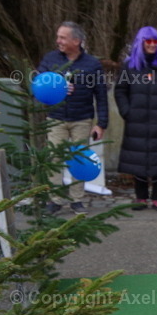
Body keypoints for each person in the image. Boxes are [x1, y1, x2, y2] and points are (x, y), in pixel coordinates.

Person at [37, 21, 110, 215]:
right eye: (58, 36)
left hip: (82, 119)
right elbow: (38, 83)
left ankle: (77, 200)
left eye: (62, 37)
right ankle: (55, 200)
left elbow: (101, 95)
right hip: (56, 118)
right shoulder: (50, 59)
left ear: (76, 41)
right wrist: (56, 86)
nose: (58, 41)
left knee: (79, 160)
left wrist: (101, 124)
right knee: (55, 158)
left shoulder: (92, 64)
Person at [114, 26, 157, 211]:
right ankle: (141, 197)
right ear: (141, 42)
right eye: (148, 41)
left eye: (155, 41)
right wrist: (127, 111)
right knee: (138, 160)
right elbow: (120, 91)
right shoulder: (130, 67)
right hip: (137, 122)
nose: (152, 45)